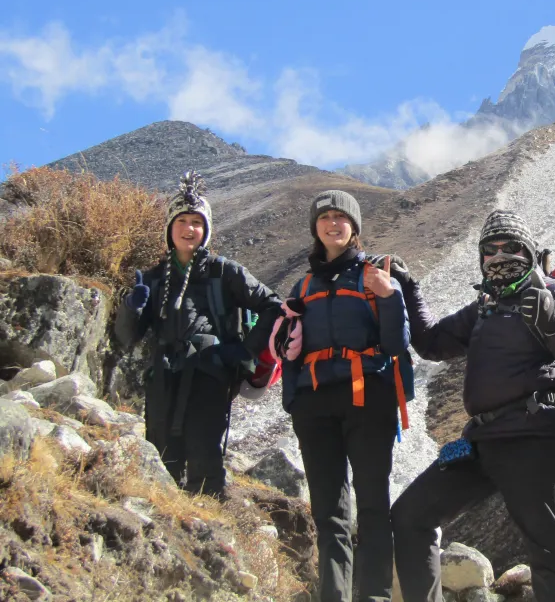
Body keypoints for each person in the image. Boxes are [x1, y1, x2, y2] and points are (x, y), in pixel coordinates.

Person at [390, 209, 555, 602]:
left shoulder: (554, 292)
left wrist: (549, 312)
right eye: (491, 249)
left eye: (511, 247)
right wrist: (409, 287)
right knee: (410, 516)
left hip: (534, 434)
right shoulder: (485, 305)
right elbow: (433, 342)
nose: (500, 256)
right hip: (481, 438)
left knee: (548, 544)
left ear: (530, 252)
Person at [276, 190, 410, 602]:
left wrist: (389, 296)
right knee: (328, 510)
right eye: (325, 218)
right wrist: (292, 400)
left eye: (341, 217)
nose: (332, 224)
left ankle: (374, 595)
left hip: (367, 398)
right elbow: (289, 350)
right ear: (316, 228)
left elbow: (396, 343)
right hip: (314, 404)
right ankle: (332, 594)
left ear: (354, 227)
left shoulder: (376, 275)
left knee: (371, 503)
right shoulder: (304, 285)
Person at [114, 170, 281, 499]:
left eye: (197, 222)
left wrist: (243, 351)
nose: (189, 229)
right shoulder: (153, 278)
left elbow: (273, 306)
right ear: (169, 229)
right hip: (163, 376)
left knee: (204, 450)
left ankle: (209, 523)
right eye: (182, 221)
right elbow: (126, 338)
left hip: (210, 374)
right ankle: (167, 519)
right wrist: (132, 307)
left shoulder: (225, 272)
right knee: (161, 451)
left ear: (205, 230)